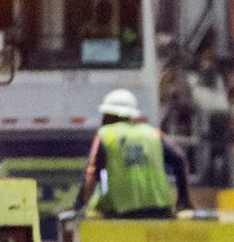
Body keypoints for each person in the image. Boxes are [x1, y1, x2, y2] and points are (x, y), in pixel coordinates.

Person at [76, 88, 179, 221]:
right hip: (160, 210)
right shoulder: (152, 133)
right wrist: (183, 200)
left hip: (123, 213)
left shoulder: (106, 134)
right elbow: (179, 159)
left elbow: (92, 174)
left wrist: (80, 206)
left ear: (109, 115)